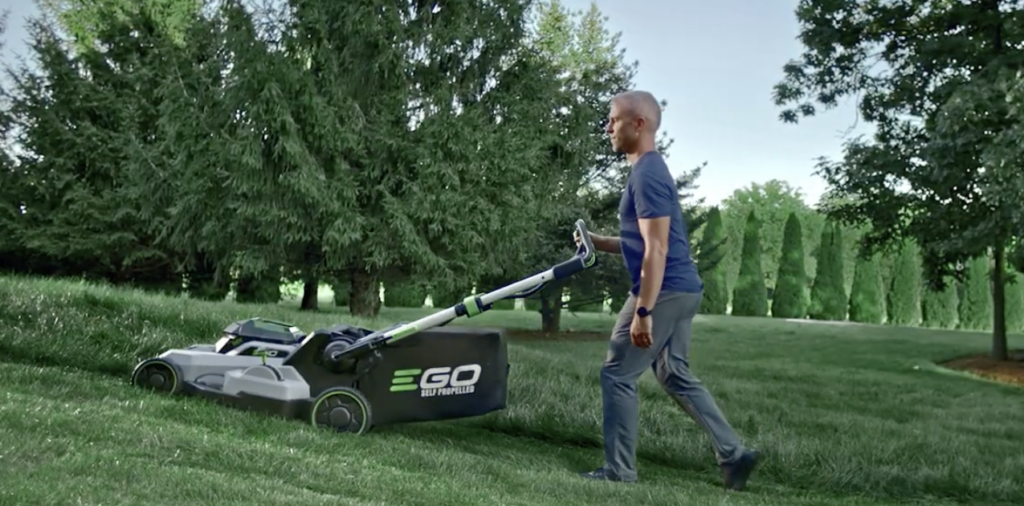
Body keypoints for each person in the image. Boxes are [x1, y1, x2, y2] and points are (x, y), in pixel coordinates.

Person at [575, 90, 761, 490]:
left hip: (665, 290)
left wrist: (643, 311)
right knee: (674, 373)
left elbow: (656, 249)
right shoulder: (648, 171)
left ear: (638, 124)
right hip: (682, 287)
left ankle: (619, 471)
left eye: (614, 120)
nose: (608, 127)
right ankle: (734, 454)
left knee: (617, 374)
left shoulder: (647, 173)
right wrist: (597, 241)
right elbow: (644, 240)